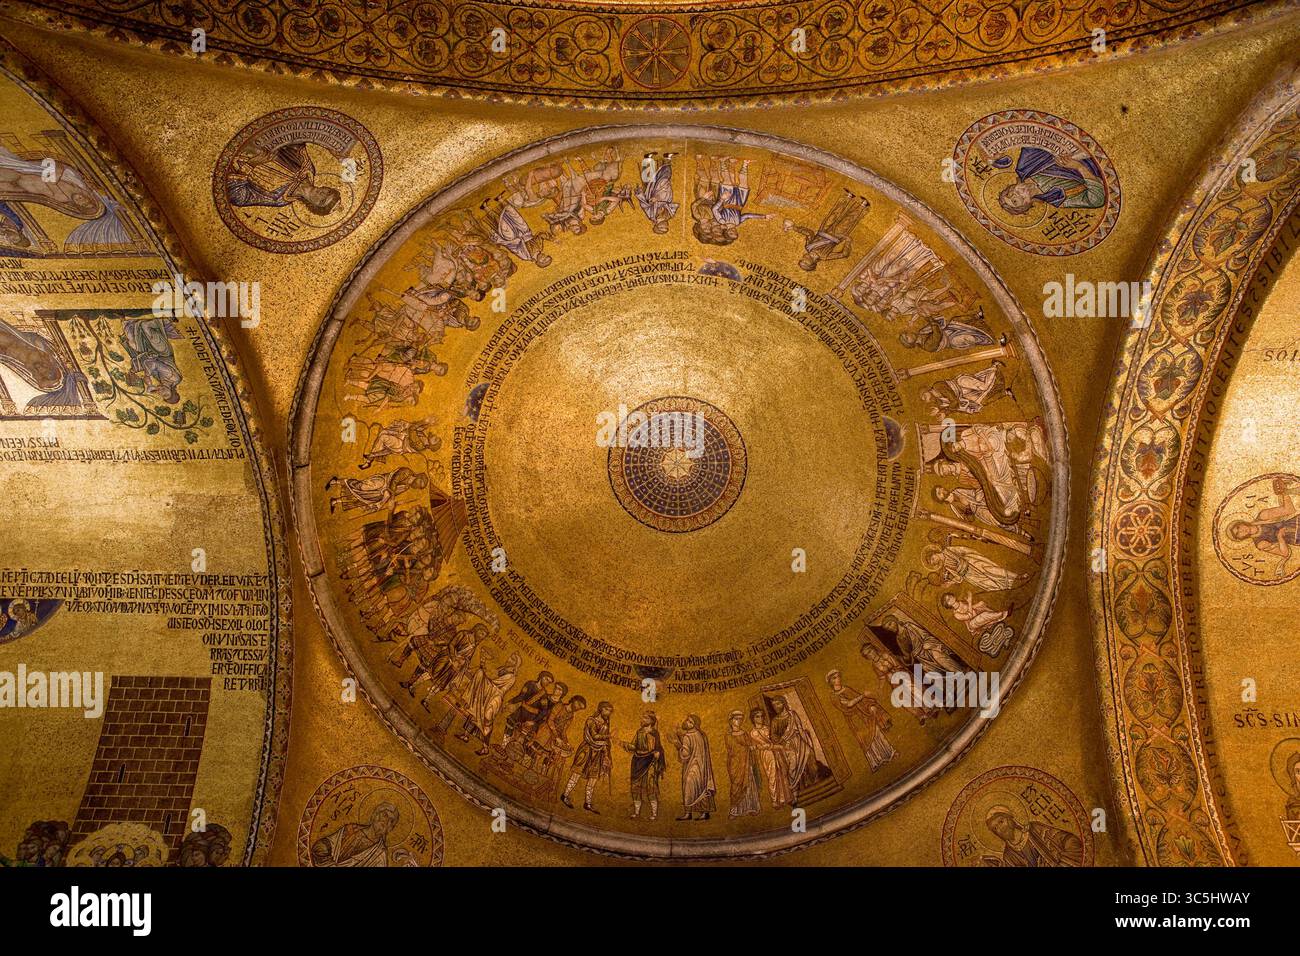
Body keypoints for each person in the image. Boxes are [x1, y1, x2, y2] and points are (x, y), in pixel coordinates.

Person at [825, 670, 895, 772]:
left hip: (863, 713)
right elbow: (849, 704)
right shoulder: (833, 696)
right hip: (854, 719)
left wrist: (870, 705)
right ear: (830, 682)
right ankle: (876, 761)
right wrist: (863, 695)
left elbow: (860, 701)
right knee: (865, 738)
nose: (838, 679)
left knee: (876, 732)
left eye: (838, 676)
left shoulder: (846, 689)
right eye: (834, 678)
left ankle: (889, 753)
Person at [980, 806, 1084, 867]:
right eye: (995, 828)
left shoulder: (1035, 830)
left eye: (1001, 821)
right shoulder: (1008, 856)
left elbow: (1071, 841)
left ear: (1010, 818)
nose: (1000, 829)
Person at [310, 804, 403, 867]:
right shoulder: (350, 830)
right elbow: (321, 846)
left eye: (391, 821)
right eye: (385, 815)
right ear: (375, 815)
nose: (386, 821)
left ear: (390, 828)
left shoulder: (379, 856)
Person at [562, 701, 614, 813]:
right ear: (601, 709)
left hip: (598, 754)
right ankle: (565, 795)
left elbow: (605, 741)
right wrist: (608, 736)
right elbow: (594, 736)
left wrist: (607, 755)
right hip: (586, 750)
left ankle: (588, 803)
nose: (608, 713)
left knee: (593, 778)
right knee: (576, 773)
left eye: (610, 711)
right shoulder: (591, 720)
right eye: (607, 710)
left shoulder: (606, 723)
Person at [622, 710, 666, 820]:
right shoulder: (639, 732)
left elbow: (658, 747)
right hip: (637, 761)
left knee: (650, 787)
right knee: (635, 787)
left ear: (651, 721)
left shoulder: (654, 733)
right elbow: (634, 745)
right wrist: (626, 745)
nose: (642, 720)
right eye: (642, 717)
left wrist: (657, 752)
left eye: (645, 718)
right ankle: (637, 812)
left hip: (650, 761)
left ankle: (654, 813)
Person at [724, 711, 761, 817]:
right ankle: (735, 811)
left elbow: (750, 744)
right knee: (736, 785)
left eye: (740, 719)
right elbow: (734, 748)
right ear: (731, 721)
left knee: (750, 784)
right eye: (736, 719)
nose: (739, 721)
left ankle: (751, 807)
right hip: (736, 764)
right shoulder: (728, 735)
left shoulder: (744, 733)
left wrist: (752, 747)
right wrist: (748, 748)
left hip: (747, 763)